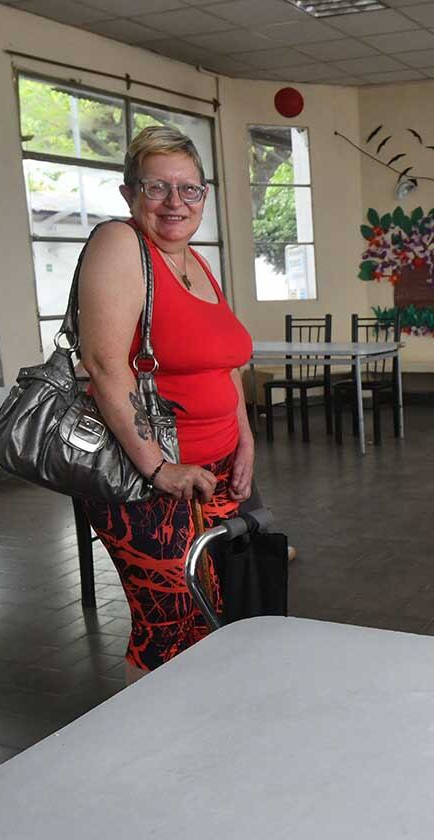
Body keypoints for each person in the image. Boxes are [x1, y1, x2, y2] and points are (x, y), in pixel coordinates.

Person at [76, 125, 253, 682]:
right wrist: (158, 467)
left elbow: (223, 365)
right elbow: (106, 366)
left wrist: (244, 437)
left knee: (207, 613)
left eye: (190, 189)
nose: (175, 202)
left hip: (211, 474)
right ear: (130, 193)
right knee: (168, 627)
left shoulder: (193, 263)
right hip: (149, 483)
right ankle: (154, 752)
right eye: (157, 187)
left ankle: (200, 732)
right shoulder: (120, 245)